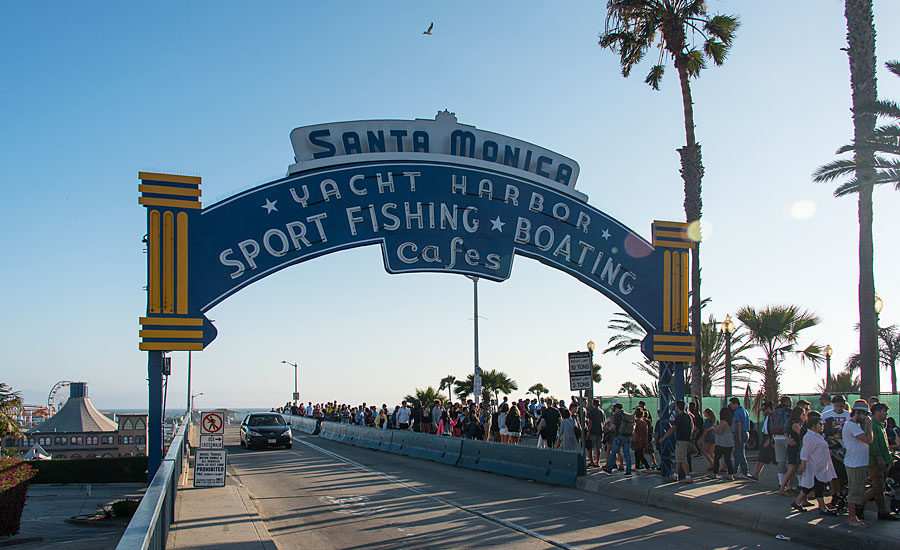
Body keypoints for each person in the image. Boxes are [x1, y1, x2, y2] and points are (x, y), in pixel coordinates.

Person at [792, 411, 838, 516]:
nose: (822, 426)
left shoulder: (817, 436)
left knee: (810, 486)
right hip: (813, 467)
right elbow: (805, 452)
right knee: (818, 487)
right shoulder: (809, 437)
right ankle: (822, 507)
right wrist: (803, 465)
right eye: (820, 424)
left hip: (820, 467)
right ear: (813, 425)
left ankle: (797, 502)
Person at [843, 399, 874, 527]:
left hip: (858, 462)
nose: (866, 417)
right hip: (854, 463)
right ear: (858, 413)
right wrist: (870, 426)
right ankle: (851, 518)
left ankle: (853, 516)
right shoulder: (852, 425)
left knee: (858, 490)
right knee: (854, 492)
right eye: (864, 414)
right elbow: (868, 439)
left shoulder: (856, 426)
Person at [867, 402, 899, 520]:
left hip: (883, 460)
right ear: (878, 411)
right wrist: (879, 458)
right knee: (878, 487)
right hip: (876, 462)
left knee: (880, 488)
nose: (886, 414)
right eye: (885, 411)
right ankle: (858, 504)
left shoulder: (880, 425)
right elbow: (873, 444)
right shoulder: (872, 425)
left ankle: (882, 511)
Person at [822, 395, 850, 509]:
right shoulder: (827, 415)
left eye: (841, 404)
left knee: (843, 473)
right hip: (832, 447)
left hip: (846, 446)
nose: (839, 407)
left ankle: (841, 493)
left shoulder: (848, 415)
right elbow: (823, 430)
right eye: (837, 404)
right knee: (833, 472)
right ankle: (834, 494)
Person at [660, 400, 693, 483]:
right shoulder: (688, 416)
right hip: (687, 439)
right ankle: (675, 474)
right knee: (679, 458)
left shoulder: (679, 417)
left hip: (681, 439)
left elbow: (672, 428)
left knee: (682, 459)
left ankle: (688, 477)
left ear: (677, 407)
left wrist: (663, 438)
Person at [778, 406, 806, 495]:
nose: (805, 416)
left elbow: (786, 433)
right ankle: (782, 488)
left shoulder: (791, 423)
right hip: (794, 448)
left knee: (793, 469)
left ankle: (788, 487)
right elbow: (802, 435)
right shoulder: (796, 424)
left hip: (793, 447)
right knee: (792, 468)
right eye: (803, 414)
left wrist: (788, 439)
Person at [602, 403, 634, 477]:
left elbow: (614, 425)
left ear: (617, 408)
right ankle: (628, 471)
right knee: (627, 454)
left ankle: (609, 469)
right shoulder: (627, 415)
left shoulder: (617, 415)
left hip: (618, 436)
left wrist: (609, 429)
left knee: (613, 453)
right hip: (627, 436)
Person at [771, 396, 794, 489]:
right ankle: (789, 485)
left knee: (780, 461)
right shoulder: (789, 412)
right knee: (790, 462)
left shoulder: (775, 412)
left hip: (777, 437)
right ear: (787, 402)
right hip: (787, 437)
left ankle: (781, 482)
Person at [750, 401, 776, 481]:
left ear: (768, 408)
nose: (763, 412)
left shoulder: (773, 417)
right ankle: (756, 475)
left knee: (776, 460)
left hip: (769, 438)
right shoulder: (768, 417)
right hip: (766, 437)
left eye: (764, 410)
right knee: (761, 458)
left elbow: (772, 429)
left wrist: (769, 439)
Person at [710, 406, 735, 480]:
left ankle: (714, 473)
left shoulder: (723, 422)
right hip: (729, 442)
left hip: (721, 443)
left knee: (717, 458)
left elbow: (720, 432)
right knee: (728, 459)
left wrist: (713, 429)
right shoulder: (731, 422)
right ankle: (731, 474)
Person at [729, 397, 751, 478]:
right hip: (745, 432)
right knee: (737, 453)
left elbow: (738, 424)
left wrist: (738, 435)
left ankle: (744, 472)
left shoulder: (737, 412)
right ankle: (735, 470)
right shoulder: (744, 411)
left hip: (740, 433)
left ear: (736, 404)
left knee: (740, 453)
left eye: (731, 404)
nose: (730, 406)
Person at [586, 399, 606, 467]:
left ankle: (591, 461)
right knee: (598, 447)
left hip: (593, 431)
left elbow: (590, 422)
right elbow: (604, 422)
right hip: (600, 431)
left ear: (593, 404)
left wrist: (588, 431)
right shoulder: (602, 412)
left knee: (589, 446)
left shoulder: (591, 411)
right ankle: (597, 461)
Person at [701, 408, 717, 473]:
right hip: (713, 436)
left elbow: (705, 430)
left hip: (708, 437)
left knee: (704, 451)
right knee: (711, 451)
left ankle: (712, 463)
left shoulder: (707, 421)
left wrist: (702, 437)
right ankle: (714, 463)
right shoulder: (713, 420)